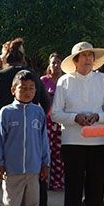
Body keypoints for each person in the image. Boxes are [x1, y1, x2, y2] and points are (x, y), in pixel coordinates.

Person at [51, 41, 104, 206]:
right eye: (84, 55)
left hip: (98, 141)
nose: (88, 59)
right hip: (72, 141)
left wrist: (97, 117)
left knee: (96, 184)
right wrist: (75, 118)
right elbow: (56, 113)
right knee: (73, 184)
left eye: (91, 55)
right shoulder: (64, 81)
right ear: (76, 60)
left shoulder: (103, 79)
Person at [0, 38, 50, 206]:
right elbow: (46, 102)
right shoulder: (32, 75)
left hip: (6, 133)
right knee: (36, 174)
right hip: (32, 133)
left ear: (5, 56)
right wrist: (36, 119)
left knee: (4, 175)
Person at [0, 70, 50, 206]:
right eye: (23, 88)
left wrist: (45, 163)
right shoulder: (6, 113)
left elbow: (43, 140)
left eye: (31, 88)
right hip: (12, 169)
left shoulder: (38, 112)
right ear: (13, 90)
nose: (27, 91)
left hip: (33, 169)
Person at [41, 53, 64, 195]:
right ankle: (44, 180)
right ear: (49, 65)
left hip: (61, 121)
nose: (56, 65)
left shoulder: (65, 81)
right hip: (47, 121)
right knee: (46, 151)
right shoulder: (44, 81)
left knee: (59, 152)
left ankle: (57, 182)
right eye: (53, 62)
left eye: (58, 62)